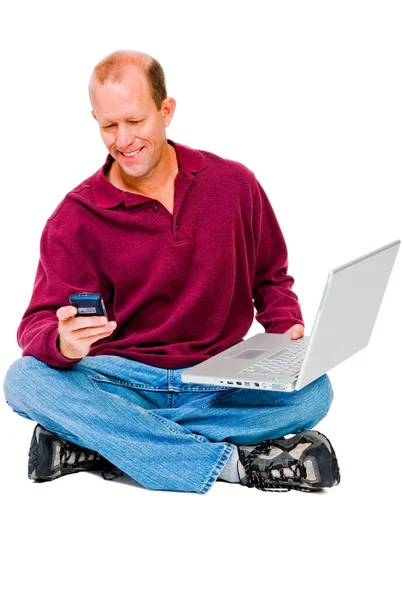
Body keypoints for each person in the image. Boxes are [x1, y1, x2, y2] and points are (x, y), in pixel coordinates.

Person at [2, 50, 340, 494]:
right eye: (108, 126)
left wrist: (286, 332)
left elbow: (270, 278)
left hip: (218, 377)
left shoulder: (235, 185)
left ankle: (104, 441)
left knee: (316, 391)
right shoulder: (75, 216)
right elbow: (36, 325)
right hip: (123, 380)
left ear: (166, 111)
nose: (122, 140)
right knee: (24, 380)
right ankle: (229, 464)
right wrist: (62, 342)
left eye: (135, 121)